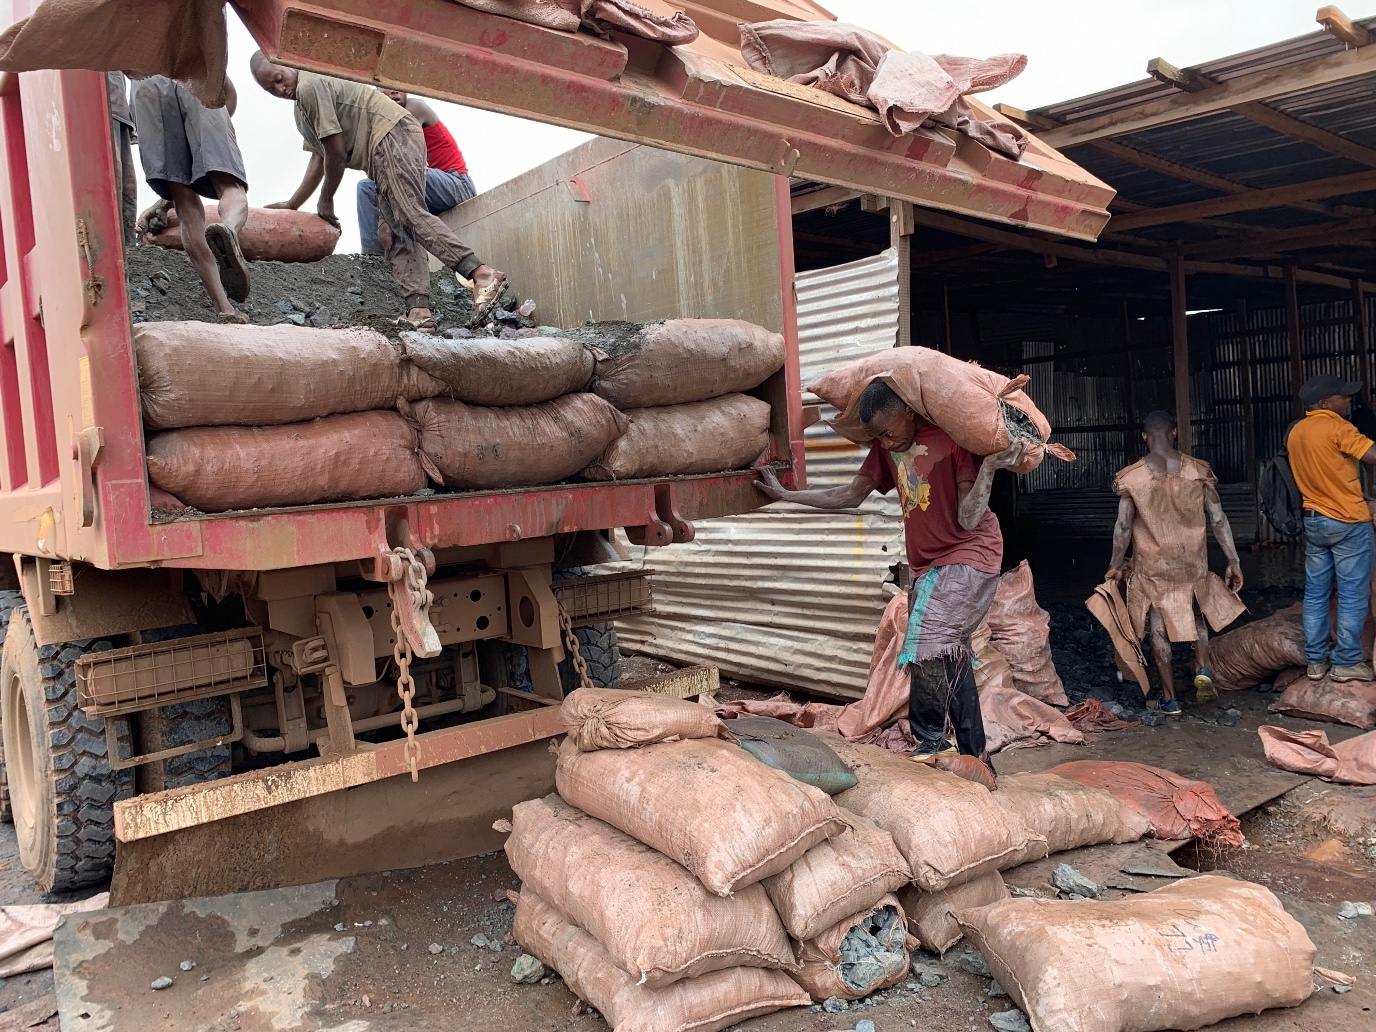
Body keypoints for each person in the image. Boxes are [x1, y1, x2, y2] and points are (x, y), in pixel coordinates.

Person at [757, 380, 1025, 765]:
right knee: (950, 652)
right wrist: (786, 496)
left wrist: (992, 468)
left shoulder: (952, 440)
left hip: (970, 553)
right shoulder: (886, 449)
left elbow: (968, 518)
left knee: (929, 638)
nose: (884, 442)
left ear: (909, 413)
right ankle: (975, 753)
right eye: (876, 436)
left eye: (888, 431)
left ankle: (932, 740)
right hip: (929, 565)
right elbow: (848, 495)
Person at [250, 54, 506, 330]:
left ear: (290, 64)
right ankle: (419, 313)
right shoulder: (302, 109)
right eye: (270, 89)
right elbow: (318, 158)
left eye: (279, 79)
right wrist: (293, 203)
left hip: (392, 135)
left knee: (409, 213)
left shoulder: (310, 85)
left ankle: (482, 274)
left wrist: (327, 200)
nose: (280, 89)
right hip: (378, 155)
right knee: (394, 232)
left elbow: (334, 153)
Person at [1106, 411, 1245, 714]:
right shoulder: (1198, 471)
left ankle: (1170, 699)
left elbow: (1124, 527)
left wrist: (1115, 565)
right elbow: (1219, 519)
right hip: (1192, 561)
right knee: (1196, 614)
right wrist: (1233, 559)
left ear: (1145, 437)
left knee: (1158, 627)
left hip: (1154, 566)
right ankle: (1204, 667)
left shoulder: (1132, 478)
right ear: (1174, 433)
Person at [130, 73, 251, 322]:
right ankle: (227, 230)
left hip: (145, 85)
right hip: (194, 75)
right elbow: (225, 87)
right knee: (229, 185)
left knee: (185, 204)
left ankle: (224, 308)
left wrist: (163, 203)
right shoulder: (221, 101)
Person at [1288, 374, 1376, 682]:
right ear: (1326, 403)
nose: (1349, 400)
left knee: (1316, 593)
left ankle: (1316, 662)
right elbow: (1372, 457)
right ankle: (1347, 662)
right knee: (1352, 593)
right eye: (1344, 396)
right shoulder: (1339, 427)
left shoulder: (1296, 432)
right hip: (1348, 521)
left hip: (1314, 521)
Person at [357, 89, 475, 256]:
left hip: (457, 186)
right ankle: (373, 259)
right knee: (366, 187)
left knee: (396, 173)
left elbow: (398, 155)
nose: (393, 90)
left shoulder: (415, 107)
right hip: (426, 194)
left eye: (397, 84)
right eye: (385, 85)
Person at [106, 72, 138, 245]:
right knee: (112, 176)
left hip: (116, 105)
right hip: (96, 102)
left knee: (125, 183)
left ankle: (126, 245)